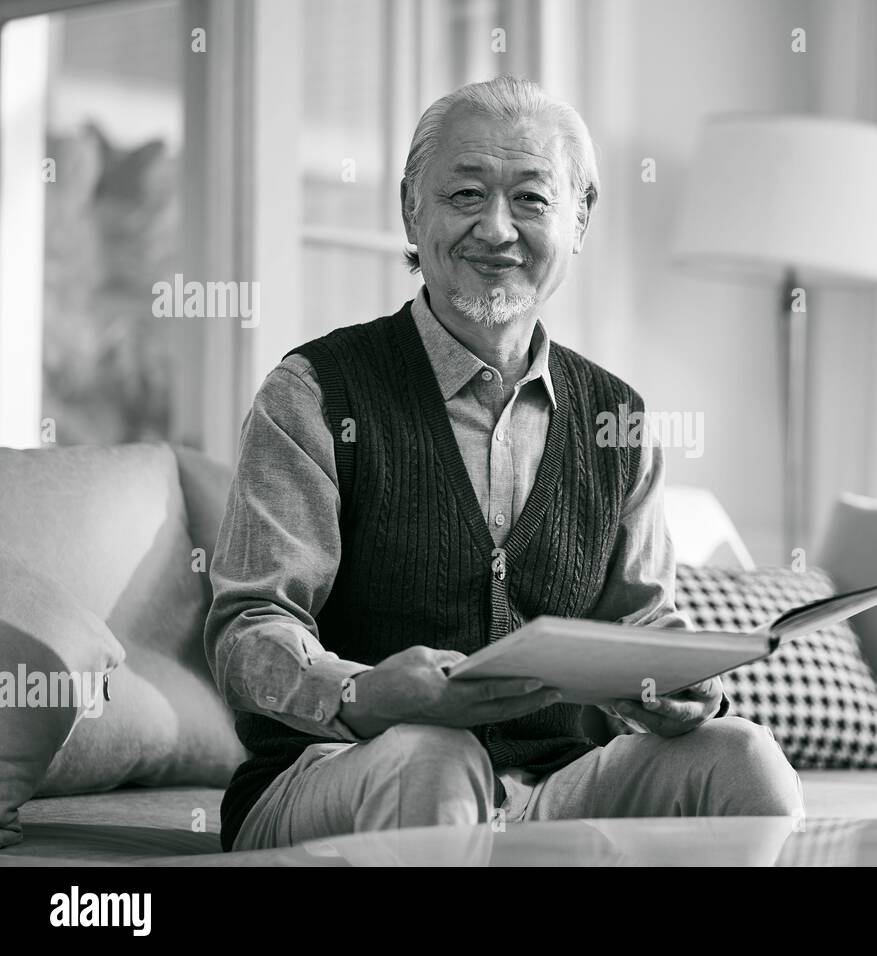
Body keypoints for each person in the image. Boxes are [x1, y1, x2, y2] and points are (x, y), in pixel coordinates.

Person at [205, 75, 803, 852]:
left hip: (556, 786)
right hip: (335, 770)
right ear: (410, 211)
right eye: (464, 195)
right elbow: (250, 628)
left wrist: (674, 682)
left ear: (580, 218)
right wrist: (365, 691)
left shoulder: (616, 415)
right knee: (434, 755)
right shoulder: (315, 392)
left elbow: (641, 621)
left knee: (745, 758)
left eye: (530, 199)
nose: (496, 229)